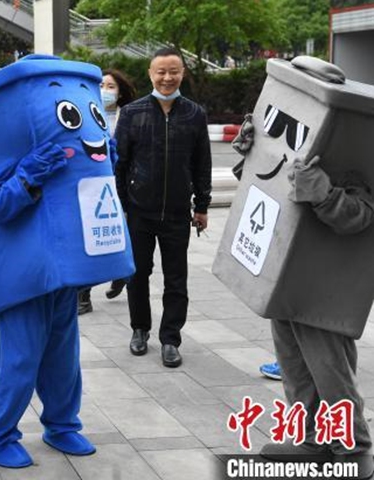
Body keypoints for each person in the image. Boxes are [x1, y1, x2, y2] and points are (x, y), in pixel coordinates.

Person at [0, 54, 134, 469]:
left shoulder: (74, 147)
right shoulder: (13, 147)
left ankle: (62, 424)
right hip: (28, 273)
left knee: (63, 353)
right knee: (21, 355)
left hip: (64, 269)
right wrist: (27, 176)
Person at [232, 115, 373, 476]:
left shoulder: (356, 145)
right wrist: (253, 154)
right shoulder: (305, 140)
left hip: (325, 283)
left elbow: (359, 217)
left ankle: (353, 448)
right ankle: (311, 438)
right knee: (294, 363)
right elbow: (270, 181)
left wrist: (325, 194)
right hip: (287, 271)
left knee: (328, 368)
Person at [114, 47, 212, 368]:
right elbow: (120, 164)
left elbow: (202, 164)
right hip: (139, 213)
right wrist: (121, 206)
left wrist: (202, 205)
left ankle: (170, 338)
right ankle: (140, 329)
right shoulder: (132, 113)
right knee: (137, 274)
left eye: (174, 71)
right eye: (161, 72)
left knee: (176, 279)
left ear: (182, 72)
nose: (167, 78)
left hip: (177, 214)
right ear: (150, 74)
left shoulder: (195, 114)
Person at [78, 68, 138, 315]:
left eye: (111, 86)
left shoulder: (130, 116)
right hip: (92, 186)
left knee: (121, 235)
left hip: (122, 184)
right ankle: (83, 297)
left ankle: (122, 272)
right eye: (101, 85)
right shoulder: (85, 114)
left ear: (120, 91)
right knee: (86, 240)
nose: (105, 91)